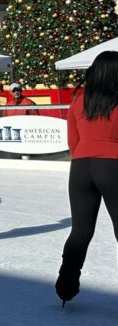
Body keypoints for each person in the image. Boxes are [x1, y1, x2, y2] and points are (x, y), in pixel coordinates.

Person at [55, 51, 118, 307]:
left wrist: (83, 156)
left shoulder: (78, 102)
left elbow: (73, 141)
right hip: (113, 165)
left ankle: (66, 286)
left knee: (80, 231)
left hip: (81, 168)